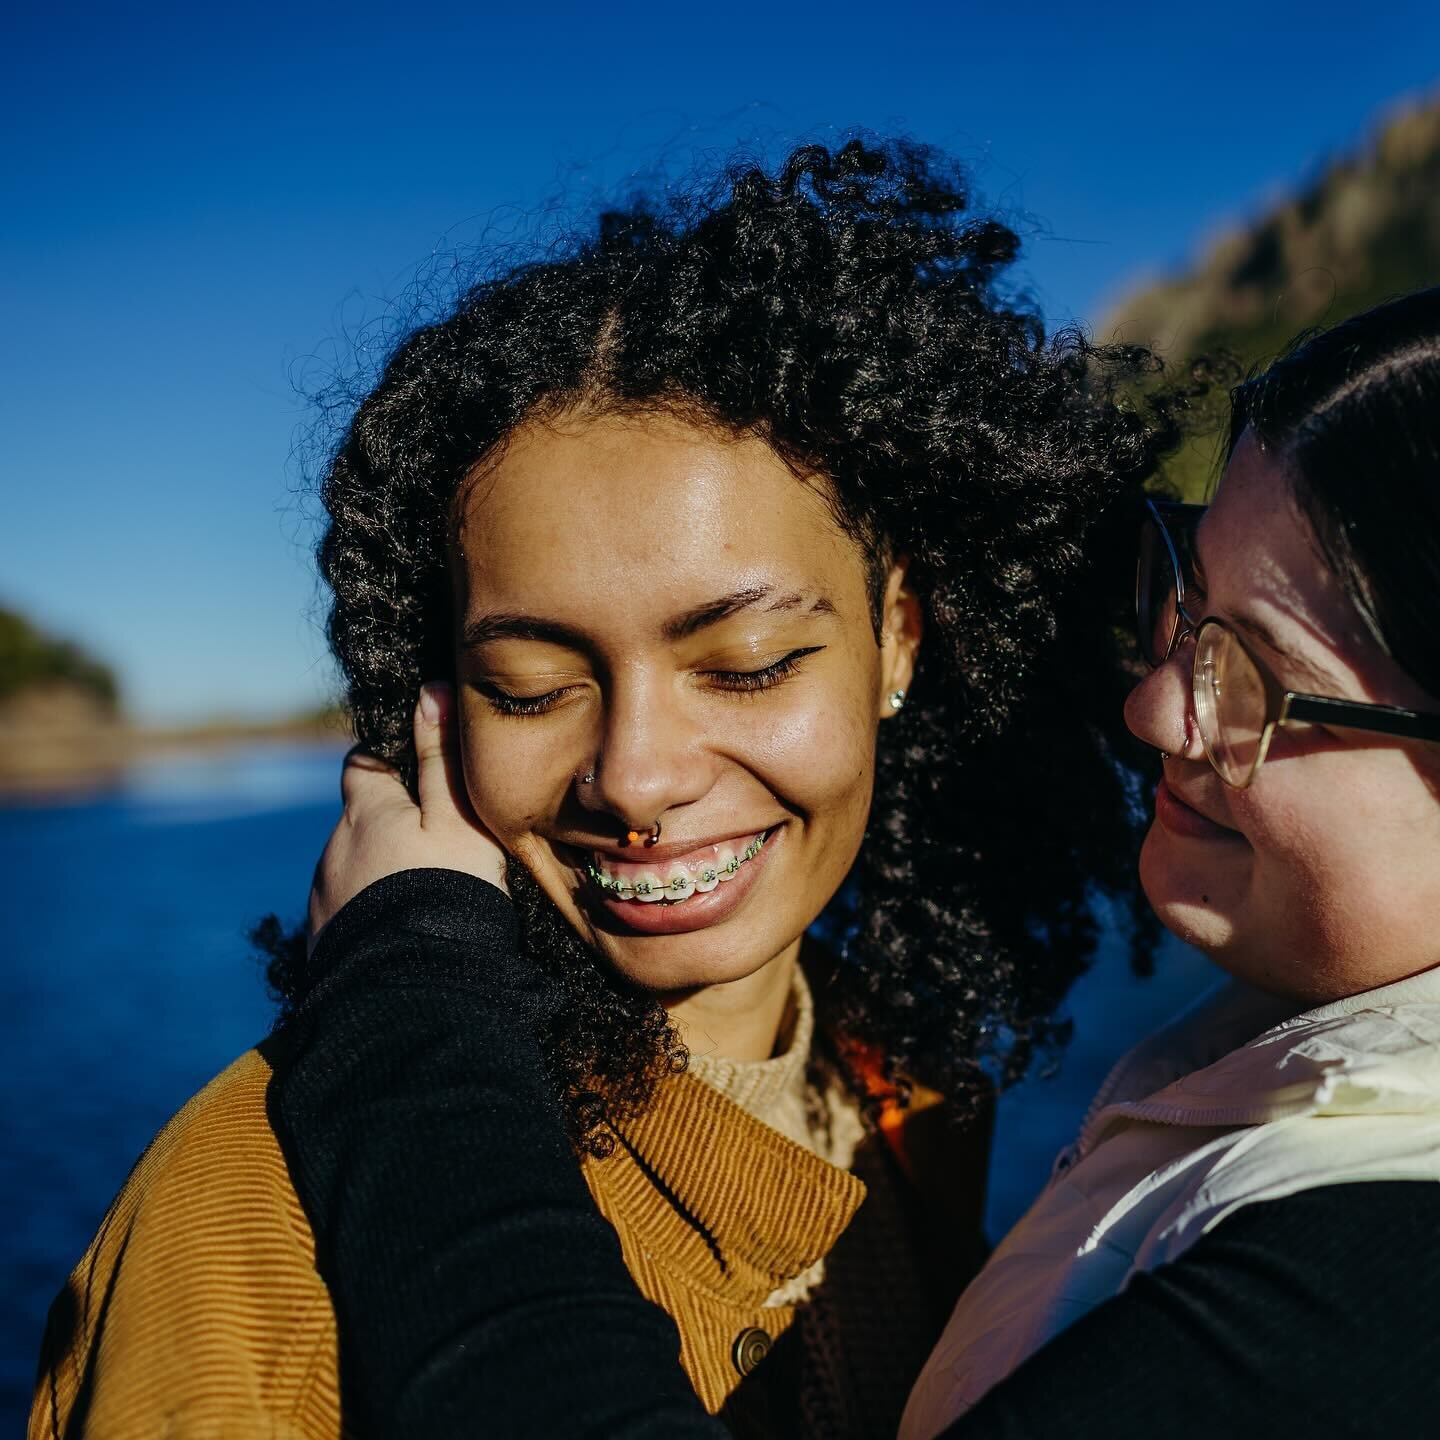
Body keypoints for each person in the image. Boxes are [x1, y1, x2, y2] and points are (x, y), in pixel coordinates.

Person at [30, 138, 1170, 1439]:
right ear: (436, 697)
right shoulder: (254, 1216)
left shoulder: (902, 1094)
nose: (635, 775)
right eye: (530, 685)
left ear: (898, 637)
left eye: (743, 666)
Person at [225, 287, 1440, 1440]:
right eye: (1184, 599)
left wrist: (405, 996)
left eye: (1264, 684)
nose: (1155, 708)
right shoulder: (948, 1099)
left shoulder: (1381, 1270)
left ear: (896, 638)